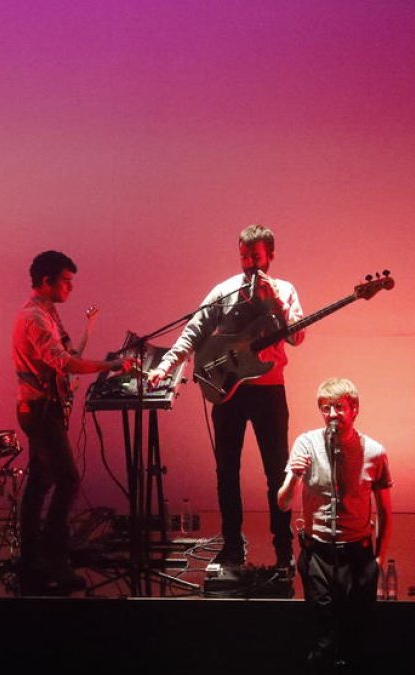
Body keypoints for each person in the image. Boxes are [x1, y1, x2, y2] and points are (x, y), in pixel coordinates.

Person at [147, 224, 305, 569]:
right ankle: (232, 545)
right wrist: (167, 365)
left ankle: (283, 550)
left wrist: (275, 299)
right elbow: (194, 330)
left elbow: (297, 337)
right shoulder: (224, 290)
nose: (249, 263)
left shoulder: (285, 290)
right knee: (227, 471)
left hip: (269, 390)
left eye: (256, 257)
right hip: (229, 390)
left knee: (277, 471)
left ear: (270, 255)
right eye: (244, 256)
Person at [11, 250, 133, 594]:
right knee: (67, 481)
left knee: (40, 483)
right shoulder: (34, 318)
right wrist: (112, 366)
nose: (70, 287)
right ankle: (54, 558)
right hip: (39, 411)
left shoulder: (47, 312)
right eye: (66, 281)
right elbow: (64, 363)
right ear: (46, 280)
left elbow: (68, 357)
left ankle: (31, 558)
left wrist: (89, 331)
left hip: (42, 408)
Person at [277, 377, 393, 674]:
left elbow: (385, 510)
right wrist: (294, 478)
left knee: (357, 634)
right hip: (318, 553)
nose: (331, 414)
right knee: (324, 634)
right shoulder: (306, 443)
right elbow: (283, 503)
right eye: (325, 408)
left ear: (354, 409)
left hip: (357, 554)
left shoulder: (374, 451)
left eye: (339, 407)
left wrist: (379, 558)